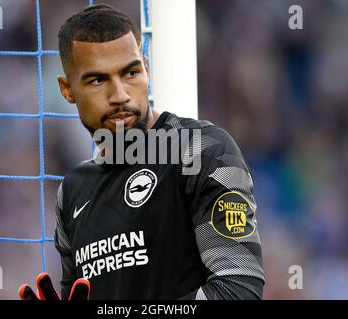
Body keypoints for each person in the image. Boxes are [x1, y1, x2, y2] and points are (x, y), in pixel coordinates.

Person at [19, 4, 264, 300]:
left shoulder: (202, 150)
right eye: (98, 80)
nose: (120, 95)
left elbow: (238, 290)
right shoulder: (70, 193)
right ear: (67, 90)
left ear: (146, 69)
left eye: (131, 73)